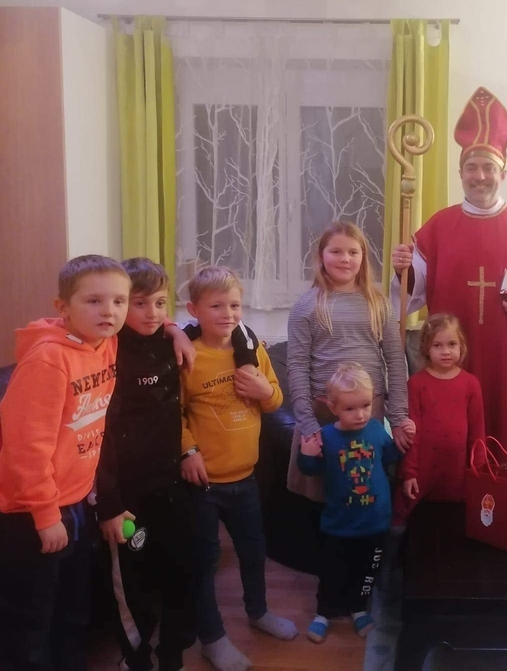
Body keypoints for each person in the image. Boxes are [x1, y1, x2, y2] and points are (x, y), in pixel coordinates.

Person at [391, 87, 507, 503]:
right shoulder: (437, 228)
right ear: (460, 173)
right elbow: (408, 295)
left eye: (489, 167)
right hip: (447, 366)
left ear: (503, 173)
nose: (480, 176)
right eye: (471, 167)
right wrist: (404, 269)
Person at [0, 255, 131, 671]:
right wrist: (46, 515)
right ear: (62, 307)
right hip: (29, 513)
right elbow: (26, 448)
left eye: (119, 301)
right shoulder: (48, 360)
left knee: (73, 611)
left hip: (75, 501)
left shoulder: (105, 343)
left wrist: (171, 327)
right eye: (94, 301)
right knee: (29, 621)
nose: (109, 311)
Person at [180, 266, 296, 671]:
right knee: (204, 561)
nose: (228, 313)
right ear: (194, 310)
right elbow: (172, 414)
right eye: (216, 306)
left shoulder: (251, 347)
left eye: (234, 305)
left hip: (246, 478)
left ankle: (258, 612)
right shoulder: (187, 355)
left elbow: (275, 399)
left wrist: (265, 390)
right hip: (203, 484)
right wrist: (187, 450)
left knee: (253, 550)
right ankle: (212, 638)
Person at [95, 257, 196, 671]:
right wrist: (109, 503)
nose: (152, 313)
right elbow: (97, 436)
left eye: (160, 303)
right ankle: (135, 660)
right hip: (127, 499)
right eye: (139, 303)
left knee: (180, 572)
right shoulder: (105, 351)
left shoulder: (168, 340)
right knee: (132, 582)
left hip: (171, 486)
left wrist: (175, 329)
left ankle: (172, 655)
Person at [287, 221, 415, 503]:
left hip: (368, 411)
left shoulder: (379, 304)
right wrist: (307, 424)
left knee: (363, 491)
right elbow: (297, 366)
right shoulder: (306, 306)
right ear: (321, 256)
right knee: (322, 496)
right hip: (323, 412)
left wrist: (398, 417)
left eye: (352, 252)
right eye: (336, 251)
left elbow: (395, 361)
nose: (344, 259)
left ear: (362, 257)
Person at [297, 363, 400, 643]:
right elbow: (309, 469)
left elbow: (392, 458)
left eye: (366, 405)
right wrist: (306, 453)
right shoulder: (327, 436)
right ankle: (324, 613)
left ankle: (358, 609)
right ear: (333, 408)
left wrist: (405, 439)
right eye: (350, 408)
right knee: (332, 572)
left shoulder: (377, 430)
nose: (360, 414)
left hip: (375, 522)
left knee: (366, 572)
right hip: (338, 524)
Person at [392, 314, 486, 526]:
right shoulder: (416, 384)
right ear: (426, 348)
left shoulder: (471, 384)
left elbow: (477, 433)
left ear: (461, 346)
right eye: (437, 345)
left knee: (453, 524)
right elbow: (411, 435)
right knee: (417, 524)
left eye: (452, 344)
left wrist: (478, 472)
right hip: (423, 470)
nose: (446, 351)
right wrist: (409, 473)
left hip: (458, 472)